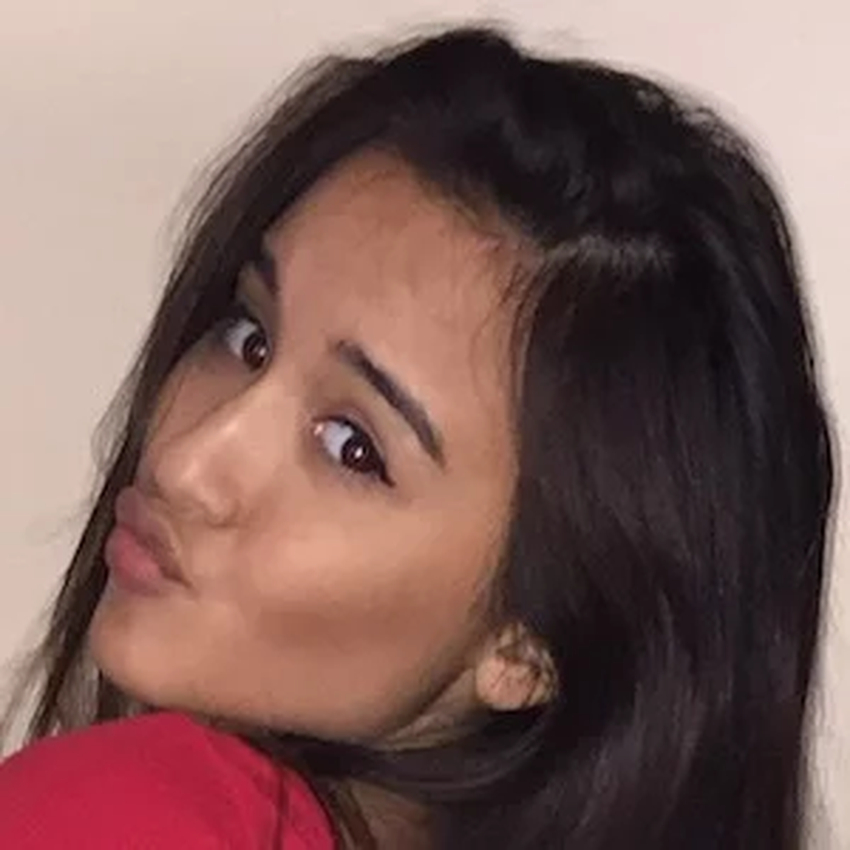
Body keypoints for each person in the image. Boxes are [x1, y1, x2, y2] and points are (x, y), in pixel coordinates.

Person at [0, 25, 834, 850]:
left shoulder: (129, 816)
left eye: (352, 447)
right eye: (248, 336)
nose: (186, 462)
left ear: (526, 649)